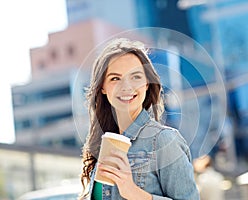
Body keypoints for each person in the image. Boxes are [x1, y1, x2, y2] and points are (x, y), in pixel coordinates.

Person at [78, 38, 199, 200]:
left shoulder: (163, 141)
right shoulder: (102, 146)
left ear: (147, 83)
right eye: (115, 78)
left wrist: (133, 192)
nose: (127, 86)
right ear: (103, 87)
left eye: (135, 77)